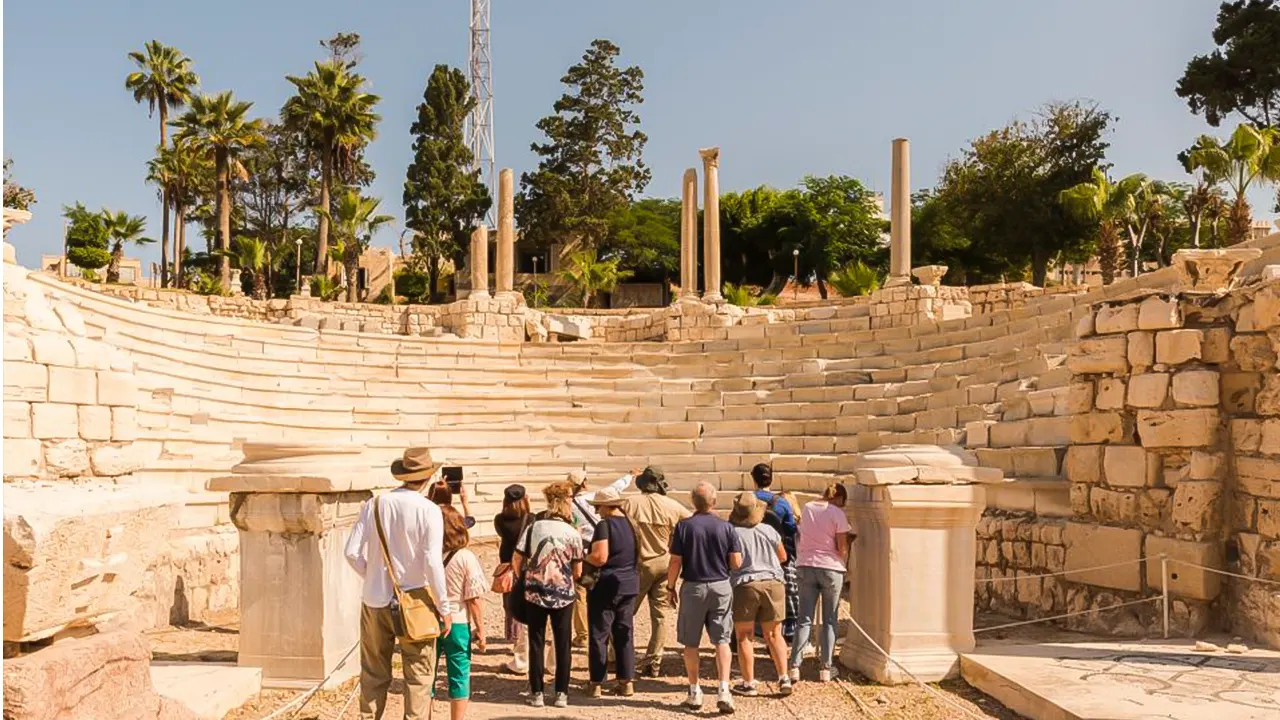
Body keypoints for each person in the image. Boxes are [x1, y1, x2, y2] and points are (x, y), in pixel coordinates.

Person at [343, 448, 453, 720]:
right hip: (415, 599)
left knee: (373, 672)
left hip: (374, 599)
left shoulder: (375, 505)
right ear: (428, 477)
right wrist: (444, 606)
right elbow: (432, 561)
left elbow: (351, 552)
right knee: (418, 675)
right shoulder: (429, 510)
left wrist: (372, 577)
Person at [668, 482, 742, 714]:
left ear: (693, 502)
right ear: (714, 501)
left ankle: (694, 690)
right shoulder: (726, 527)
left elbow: (675, 561)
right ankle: (723, 689)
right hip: (720, 585)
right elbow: (737, 562)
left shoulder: (684, 526)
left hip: (694, 585)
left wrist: (670, 586)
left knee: (691, 642)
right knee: (721, 639)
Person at [512, 481, 583, 709]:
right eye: (570, 499)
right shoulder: (573, 532)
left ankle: (537, 693)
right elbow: (578, 570)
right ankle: (561, 693)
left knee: (536, 641)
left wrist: (527, 576)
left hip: (535, 592)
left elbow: (517, 559)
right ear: (563, 502)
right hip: (563, 593)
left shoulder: (534, 526)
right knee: (563, 643)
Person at [618, 466, 690, 677]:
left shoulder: (630, 503)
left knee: (625, 611)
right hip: (665, 561)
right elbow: (689, 523)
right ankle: (654, 660)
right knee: (659, 614)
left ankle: (618, 656)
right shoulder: (672, 505)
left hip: (640, 563)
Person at [727, 492, 794, 697]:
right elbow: (783, 557)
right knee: (774, 634)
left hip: (746, 584)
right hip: (773, 582)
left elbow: (733, 562)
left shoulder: (733, 533)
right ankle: (784, 677)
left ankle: (749, 683)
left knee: (744, 635)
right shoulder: (769, 530)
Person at [789, 483, 852, 683]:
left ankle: (794, 666)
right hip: (830, 567)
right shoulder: (838, 514)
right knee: (830, 620)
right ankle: (826, 667)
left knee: (804, 618)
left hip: (806, 564)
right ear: (840, 498)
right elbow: (841, 548)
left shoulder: (807, 508)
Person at [567, 468, 637, 647]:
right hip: (609, 545)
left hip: (585, 552)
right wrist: (629, 475)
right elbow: (615, 488)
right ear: (584, 483)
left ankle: (582, 634)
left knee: (581, 593)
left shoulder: (570, 505)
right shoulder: (596, 499)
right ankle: (612, 640)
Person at [583, 486, 640, 698]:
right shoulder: (631, 523)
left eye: (598, 507)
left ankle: (596, 682)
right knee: (624, 633)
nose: (597, 511)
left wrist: (583, 557)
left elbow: (600, 557)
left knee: (599, 634)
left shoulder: (604, 525)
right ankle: (626, 682)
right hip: (629, 583)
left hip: (606, 585)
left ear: (605, 507)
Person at [439, 505, 487, 720]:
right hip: (458, 619)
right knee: (459, 674)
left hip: (430, 619)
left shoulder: (425, 555)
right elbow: (473, 599)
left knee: (426, 674)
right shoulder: (465, 557)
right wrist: (481, 629)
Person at [751, 463, 799, 641]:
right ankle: (787, 629)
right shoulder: (782, 503)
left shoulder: (745, 500)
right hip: (777, 554)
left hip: (752, 554)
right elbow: (791, 529)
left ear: (753, 479)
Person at [493, 484, 531, 675]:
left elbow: (503, 534)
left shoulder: (499, 520)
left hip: (507, 566)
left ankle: (515, 641)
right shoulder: (530, 519)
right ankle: (524, 648)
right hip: (524, 567)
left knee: (510, 605)